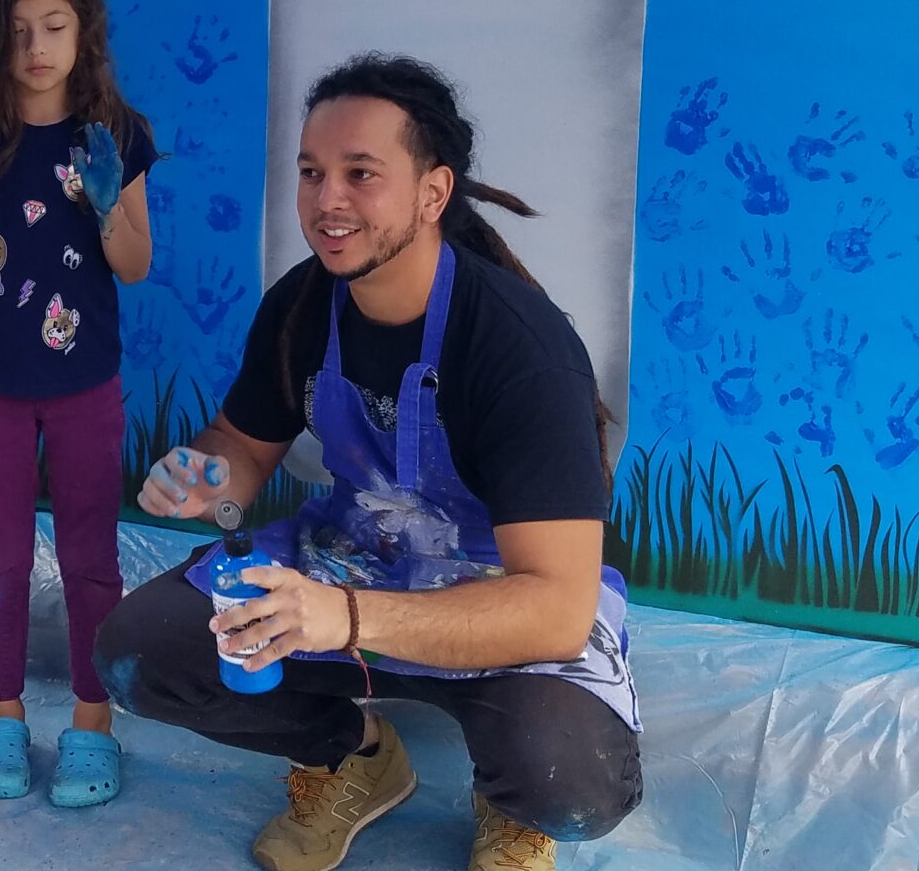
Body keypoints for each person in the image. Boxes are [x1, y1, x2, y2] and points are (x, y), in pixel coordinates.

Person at [93, 54, 641, 871]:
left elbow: (558, 609)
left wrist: (342, 618)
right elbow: (242, 447)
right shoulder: (302, 305)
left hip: (501, 595)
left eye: (361, 173)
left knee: (570, 782)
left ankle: (510, 806)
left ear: (432, 193)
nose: (326, 200)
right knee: (140, 658)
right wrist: (207, 474)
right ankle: (353, 753)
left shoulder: (521, 350)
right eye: (313, 172)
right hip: (352, 558)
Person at [0, 0, 156, 809]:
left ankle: (94, 719)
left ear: (82, 28)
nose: (35, 49)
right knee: (1, 555)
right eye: (16, 29)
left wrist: (103, 205)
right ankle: (4, 712)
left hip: (87, 384)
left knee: (94, 556)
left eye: (53, 26)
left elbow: (134, 263)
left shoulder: (117, 134)